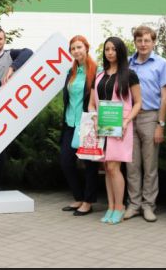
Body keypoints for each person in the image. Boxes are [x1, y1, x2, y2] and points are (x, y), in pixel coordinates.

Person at [88, 36, 142, 225]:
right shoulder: (99, 76)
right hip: (102, 126)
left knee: (113, 167)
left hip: (120, 126)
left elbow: (138, 103)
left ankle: (120, 207)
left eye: (114, 49)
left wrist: (127, 120)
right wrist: (94, 118)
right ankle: (111, 207)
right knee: (106, 167)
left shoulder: (129, 75)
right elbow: (92, 103)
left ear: (120, 51)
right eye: (107, 49)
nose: (110, 52)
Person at [125, 26, 166, 222]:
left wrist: (161, 124)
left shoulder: (161, 64)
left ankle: (148, 205)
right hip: (129, 118)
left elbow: (165, 97)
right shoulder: (127, 63)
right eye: (139, 40)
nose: (143, 44)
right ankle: (134, 204)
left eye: (147, 40)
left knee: (150, 165)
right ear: (135, 42)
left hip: (150, 117)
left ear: (153, 42)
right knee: (132, 165)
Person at [0, 27, 33, 190]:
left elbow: (29, 52)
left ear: (4, 40)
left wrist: (12, 68)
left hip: (3, 110)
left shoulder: (11, 55)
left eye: (0, 39)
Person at [59, 35, 100, 216]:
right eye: (73, 48)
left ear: (86, 48)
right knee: (66, 161)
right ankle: (78, 197)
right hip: (70, 122)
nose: (76, 51)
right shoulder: (71, 72)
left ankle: (88, 201)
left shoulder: (96, 71)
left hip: (87, 123)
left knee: (89, 164)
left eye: (79, 47)